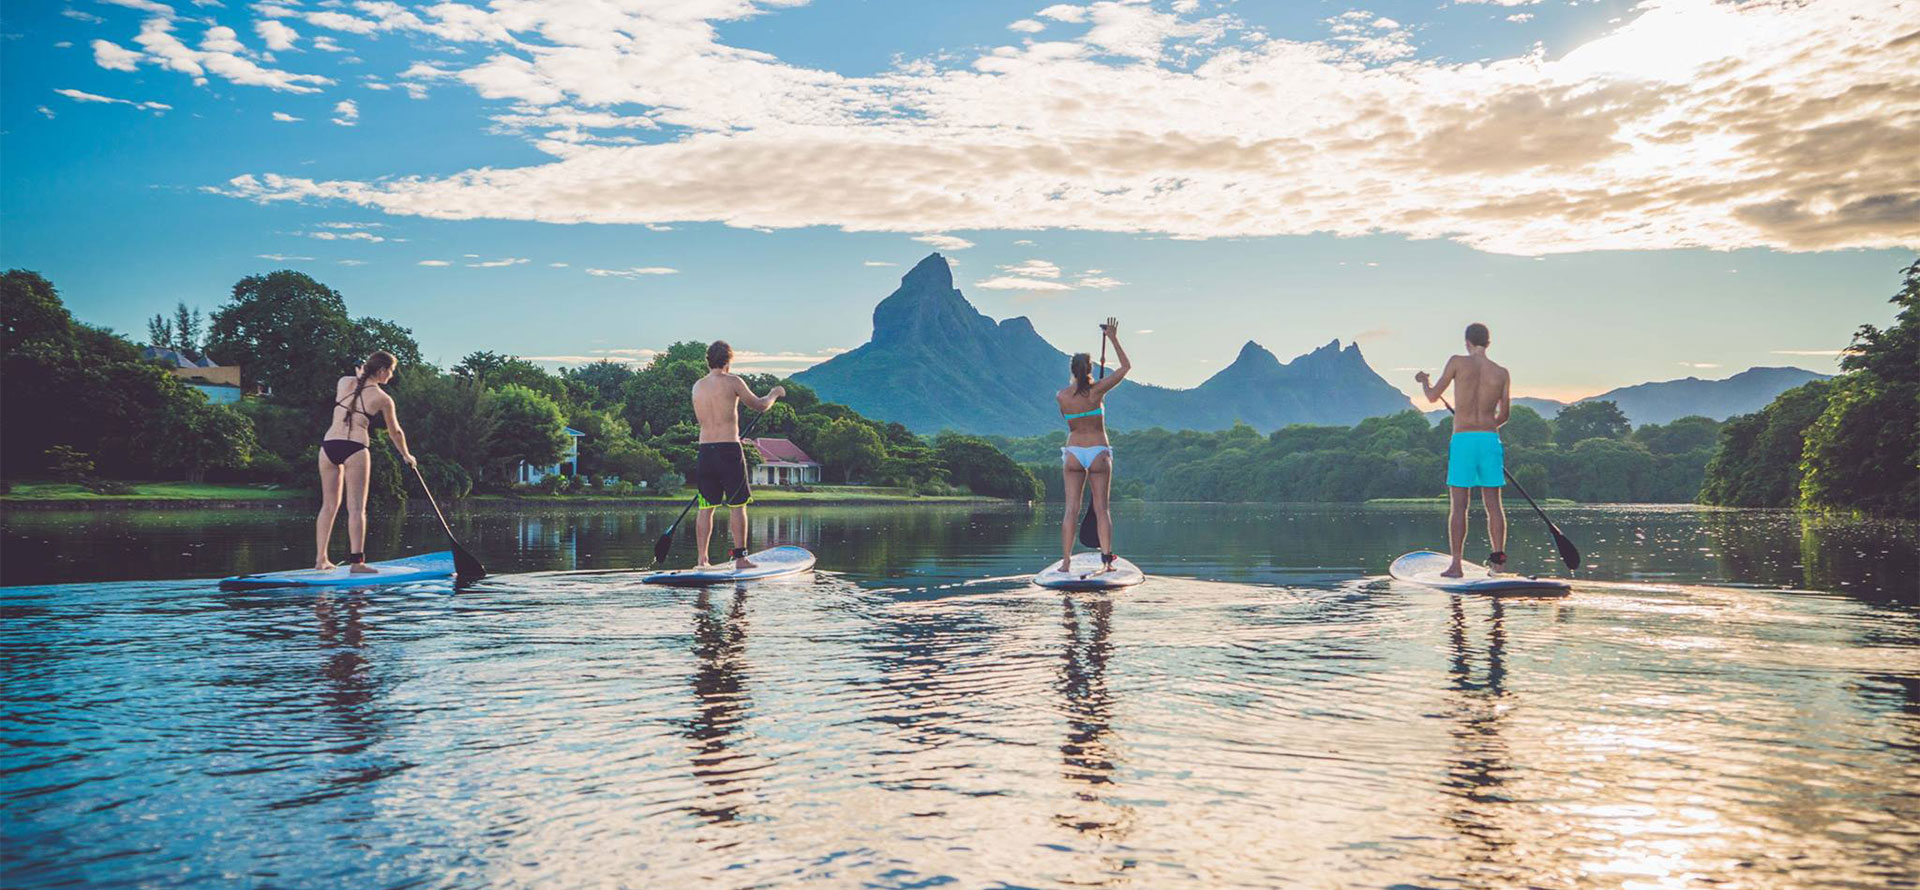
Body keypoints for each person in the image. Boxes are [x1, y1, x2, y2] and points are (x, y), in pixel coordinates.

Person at [1416, 322, 1511, 577]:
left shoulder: (1458, 362)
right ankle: (1498, 564)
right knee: (1494, 505)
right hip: (1490, 439)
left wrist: (1424, 382)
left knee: (1459, 506)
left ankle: (1456, 565)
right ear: (1488, 343)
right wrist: (1488, 427)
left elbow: (1433, 397)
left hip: (1463, 439)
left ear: (1467, 341)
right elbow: (1505, 415)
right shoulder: (1501, 372)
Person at [316, 350, 415, 572]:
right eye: (390, 371)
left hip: (329, 445)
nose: (390, 376)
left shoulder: (344, 382)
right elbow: (395, 432)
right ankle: (357, 563)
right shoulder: (382, 398)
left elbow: (355, 388)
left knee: (329, 505)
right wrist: (406, 455)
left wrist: (361, 376)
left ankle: (320, 559)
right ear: (381, 370)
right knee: (357, 509)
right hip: (354, 447)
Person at [690, 340, 784, 570]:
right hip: (728, 450)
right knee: (737, 505)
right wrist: (775, 393)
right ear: (728, 361)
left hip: (705, 451)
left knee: (705, 507)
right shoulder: (733, 381)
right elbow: (760, 405)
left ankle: (702, 560)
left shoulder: (697, 386)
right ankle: (740, 559)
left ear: (708, 361)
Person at [1055, 317, 1130, 574]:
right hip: (1098, 452)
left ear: (1072, 370)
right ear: (1089, 368)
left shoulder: (1061, 396)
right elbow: (1125, 367)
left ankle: (1066, 563)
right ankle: (1107, 561)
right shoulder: (1098, 390)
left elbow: (1069, 421)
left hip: (1073, 453)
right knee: (1102, 508)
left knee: (1070, 510)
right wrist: (1113, 338)